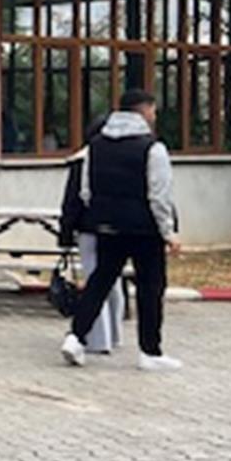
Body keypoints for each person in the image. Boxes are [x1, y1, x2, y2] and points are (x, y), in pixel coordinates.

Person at [61, 89, 182, 371]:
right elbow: (159, 195)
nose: (154, 116)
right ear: (145, 111)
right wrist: (169, 232)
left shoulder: (95, 146)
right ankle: (150, 351)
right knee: (150, 287)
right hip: (144, 230)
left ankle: (76, 337)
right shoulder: (153, 148)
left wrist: (102, 214)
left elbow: (86, 190)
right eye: (153, 111)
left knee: (100, 281)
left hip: (106, 226)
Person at [59, 117, 124, 356]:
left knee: (95, 282)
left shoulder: (82, 161)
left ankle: (99, 339)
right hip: (118, 228)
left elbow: (72, 201)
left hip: (89, 228)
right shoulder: (123, 159)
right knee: (113, 281)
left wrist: (65, 232)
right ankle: (115, 333)